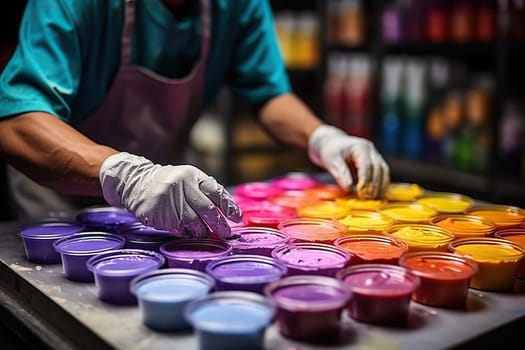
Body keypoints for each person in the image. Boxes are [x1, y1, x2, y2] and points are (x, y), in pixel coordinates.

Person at [0, 0, 389, 238]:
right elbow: (16, 122)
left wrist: (322, 137)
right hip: (60, 193)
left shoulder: (237, 5)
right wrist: (126, 175)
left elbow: (266, 92)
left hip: (166, 189)